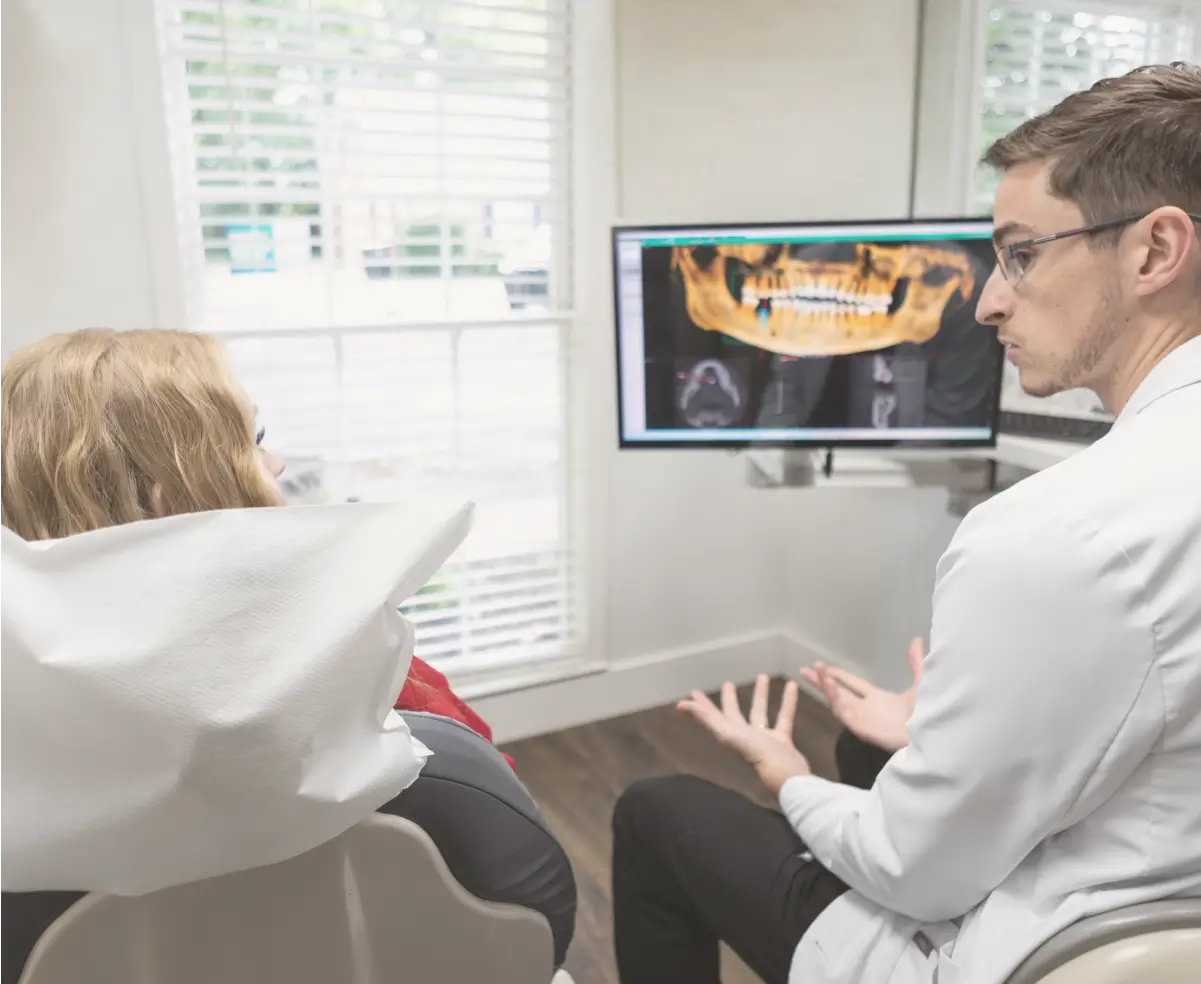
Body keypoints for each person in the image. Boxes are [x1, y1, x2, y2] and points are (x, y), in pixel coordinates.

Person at [612, 61, 1201, 984]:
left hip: (1036, 948)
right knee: (866, 740)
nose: (986, 300)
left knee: (656, 808)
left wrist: (782, 772)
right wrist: (941, 735)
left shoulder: (1056, 532)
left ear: (1154, 251)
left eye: (1020, 253)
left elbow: (909, 870)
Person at [0, 328, 571, 980]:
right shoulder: (385, 691)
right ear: (171, 494)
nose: (275, 464)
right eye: (254, 441)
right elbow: (502, 828)